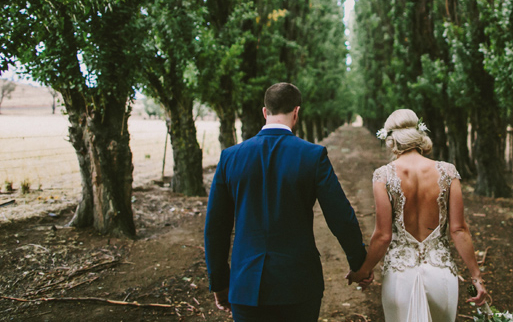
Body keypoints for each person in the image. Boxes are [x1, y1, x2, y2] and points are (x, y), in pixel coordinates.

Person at [204, 82, 367, 322]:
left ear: (265, 111)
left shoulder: (230, 157)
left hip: (246, 285)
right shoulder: (312, 155)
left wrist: (219, 283)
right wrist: (359, 264)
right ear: (296, 112)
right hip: (298, 286)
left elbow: (216, 228)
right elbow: (340, 216)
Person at [347, 108, 488, 321]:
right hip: (441, 276)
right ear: (418, 134)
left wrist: (363, 271)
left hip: (400, 277)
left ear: (390, 140)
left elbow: (383, 236)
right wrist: (476, 277)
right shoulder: (448, 172)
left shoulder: (383, 176)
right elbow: (459, 230)